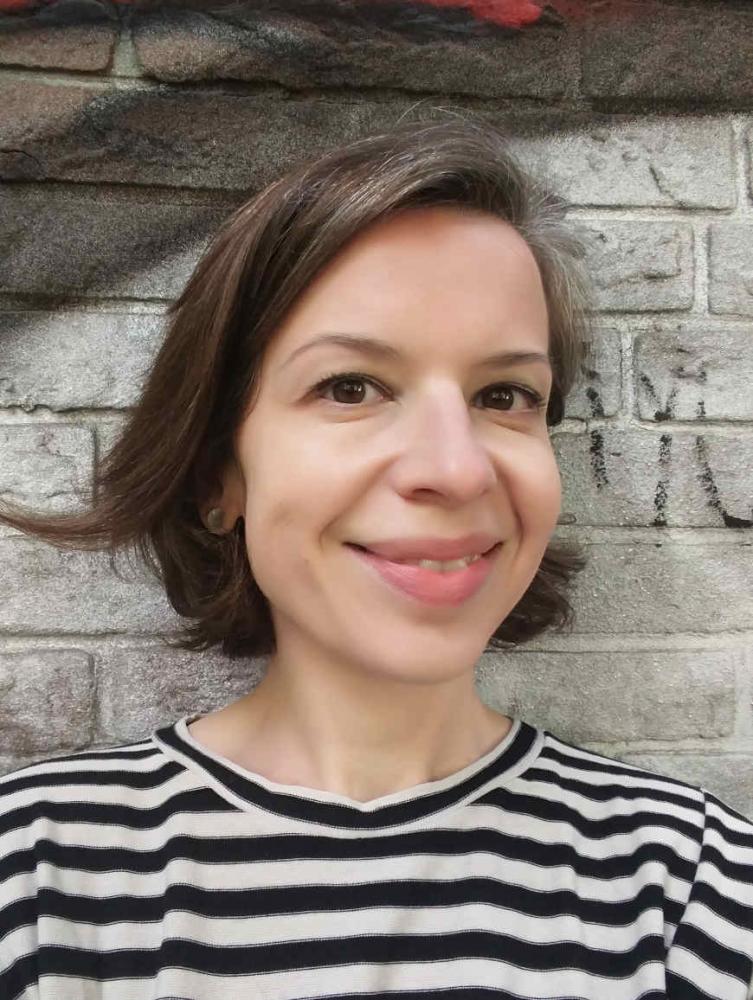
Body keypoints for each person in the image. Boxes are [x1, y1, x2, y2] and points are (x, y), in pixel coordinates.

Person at [1, 111, 752, 1000]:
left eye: (504, 394)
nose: (454, 468)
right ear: (218, 475)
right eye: (349, 387)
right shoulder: (39, 874)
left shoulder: (687, 884)